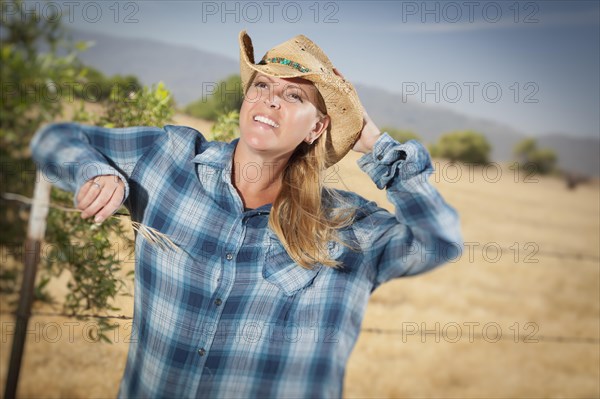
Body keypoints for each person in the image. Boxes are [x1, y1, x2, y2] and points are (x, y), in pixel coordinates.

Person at [30, 30, 463, 398]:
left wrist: (379, 146)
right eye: (262, 86)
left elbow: (438, 242)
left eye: (293, 94)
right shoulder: (169, 159)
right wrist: (97, 172)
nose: (272, 100)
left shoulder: (349, 226)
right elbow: (56, 137)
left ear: (317, 128)